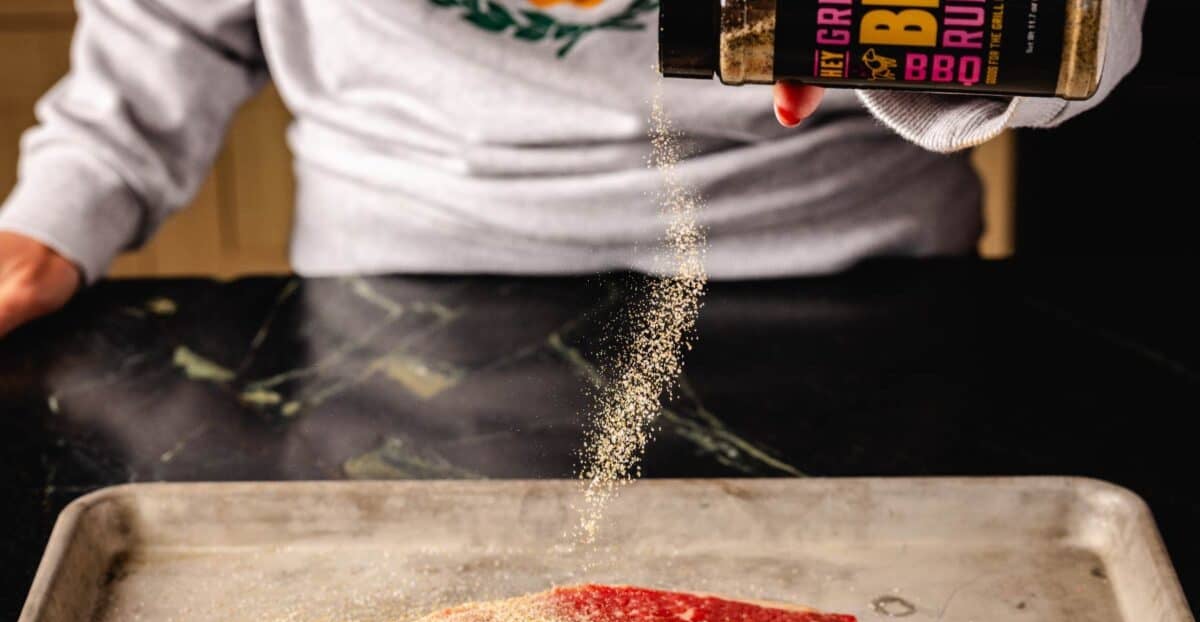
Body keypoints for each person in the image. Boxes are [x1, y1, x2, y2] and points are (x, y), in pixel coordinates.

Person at [0, 1, 1146, 338]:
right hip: (394, 295)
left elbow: (1073, 38)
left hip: (845, 281)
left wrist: (918, 16)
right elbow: (169, 29)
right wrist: (59, 210)